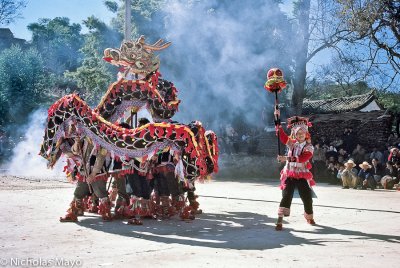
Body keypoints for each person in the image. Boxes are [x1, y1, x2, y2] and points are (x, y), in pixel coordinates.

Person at [274, 111, 316, 231]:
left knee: (307, 196)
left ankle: (309, 216)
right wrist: (278, 123)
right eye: (298, 133)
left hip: (301, 175)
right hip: (289, 174)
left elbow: (303, 158)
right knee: (286, 196)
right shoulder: (292, 144)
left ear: (306, 134)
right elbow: (281, 136)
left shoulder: (309, 147)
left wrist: (285, 158)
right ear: (295, 134)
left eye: (302, 133)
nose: (300, 135)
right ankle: (280, 219)